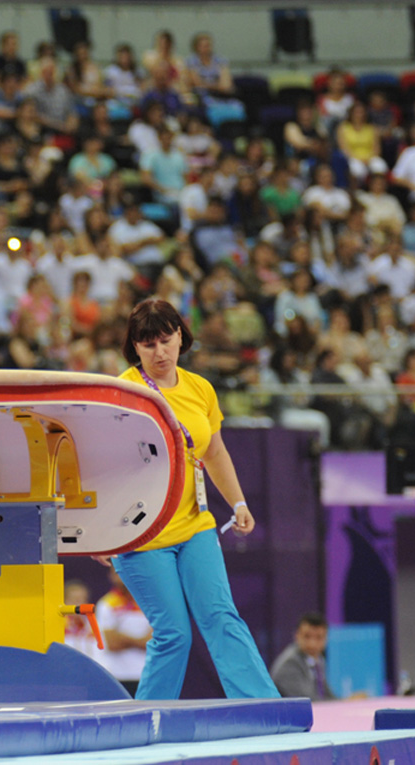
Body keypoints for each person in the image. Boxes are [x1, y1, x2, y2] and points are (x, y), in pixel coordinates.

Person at [108, 298, 279, 700]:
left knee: (222, 617)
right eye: (148, 344)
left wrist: (238, 504)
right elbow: (104, 465)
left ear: (181, 336)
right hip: (141, 533)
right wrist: (102, 532)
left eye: (166, 340)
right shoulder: (122, 391)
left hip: (195, 524)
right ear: (134, 347)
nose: (160, 352)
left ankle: (260, 708)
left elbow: (214, 452)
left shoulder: (200, 387)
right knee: (173, 633)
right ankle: (145, 723)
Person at [94, 569, 152, 697]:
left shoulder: (149, 601)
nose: (121, 576)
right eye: (117, 573)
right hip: (117, 675)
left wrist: (122, 637)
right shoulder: (107, 603)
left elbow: (153, 642)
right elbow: (112, 644)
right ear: (111, 576)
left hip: (146, 674)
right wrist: (140, 640)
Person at [270, 612, 335, 701]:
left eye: (319, 637)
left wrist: (347, 702)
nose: (312, 644)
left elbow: (327, 696)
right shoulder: (289, 664)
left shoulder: (319, 660)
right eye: (307, 636)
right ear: (297, 636)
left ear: (326, 639)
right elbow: (309, 702)